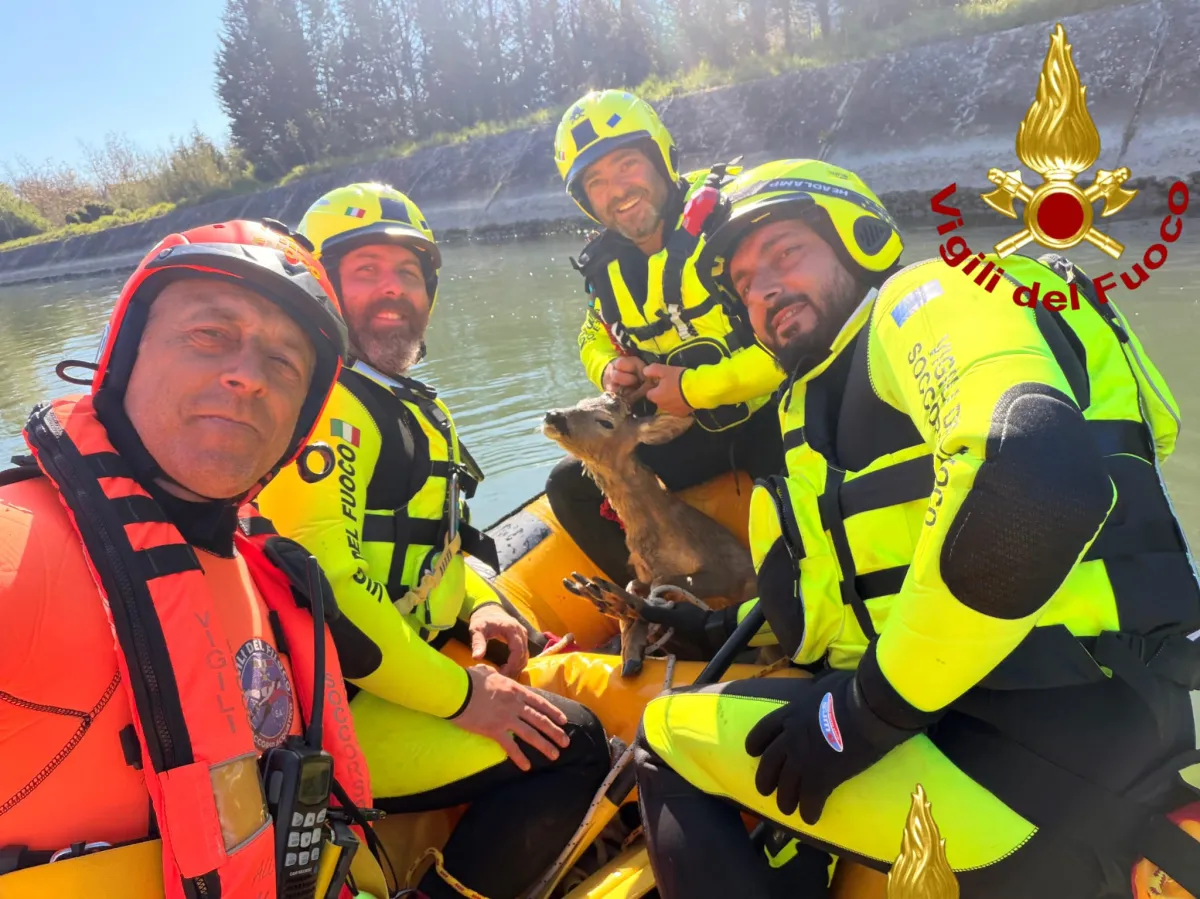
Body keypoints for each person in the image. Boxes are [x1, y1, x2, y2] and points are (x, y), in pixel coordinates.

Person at [630, 158, 1200, 898]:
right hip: (1044, 746)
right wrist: (715, 628)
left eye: (785, 252)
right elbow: (864, 581)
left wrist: (857, 715)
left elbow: (1037, 480)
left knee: (663, 741)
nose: (763, 288)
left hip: (1024, 777)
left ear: (859, 238)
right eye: (744, 281)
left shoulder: (925, 296)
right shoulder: (826, 401)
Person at [0, 220, 378, 897]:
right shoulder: (14, 544)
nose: (248, 376)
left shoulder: (263, 572)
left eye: (285, 364)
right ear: (124, 359)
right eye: (210, 335)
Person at [255, 183, 612, 899]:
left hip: (398, 665)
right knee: (572, 745)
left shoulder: (405, 398)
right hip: (328, 712)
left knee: (542, 695)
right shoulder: (323, 410)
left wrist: (479, 608)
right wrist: (462, 698)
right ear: (318, 287)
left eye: (408, 273)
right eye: (365, 272)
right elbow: (331, 591)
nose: (393, 290)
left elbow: (440, 549)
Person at [546, 89, 786, 584]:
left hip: (776, 417)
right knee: (569, 487)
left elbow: (796, 350)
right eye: (596, 181)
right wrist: (608, 369)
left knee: (805, 477)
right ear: (586, 200)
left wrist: (692, 390)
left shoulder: (735, 223)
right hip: (689, 436)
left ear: (661, 158)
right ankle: (656, 602)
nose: (617, 189)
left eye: (627, 164)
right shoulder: (605, 267)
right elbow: (592, 335)